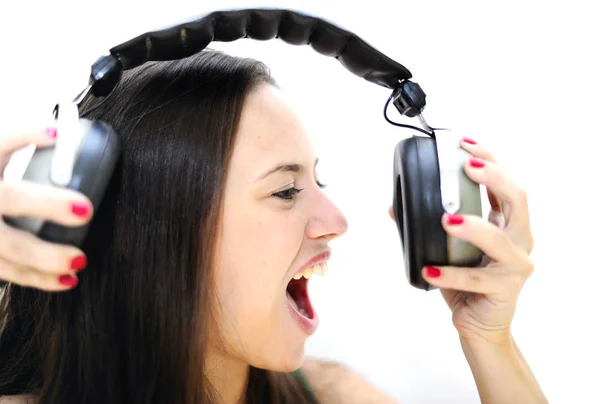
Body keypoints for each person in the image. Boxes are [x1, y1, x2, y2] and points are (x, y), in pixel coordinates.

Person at [0, 49, 547, 404]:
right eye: (285, 191)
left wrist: (489, 340)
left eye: (317, 182)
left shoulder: (336, 398)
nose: (336, 223)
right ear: (131, 230)